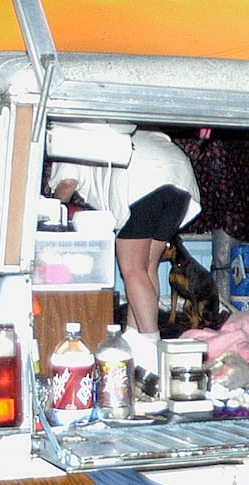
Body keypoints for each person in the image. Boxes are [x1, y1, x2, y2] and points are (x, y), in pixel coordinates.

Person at [47, 129, 201, 369]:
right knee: (146, 267)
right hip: (179, 178)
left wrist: (51, 205)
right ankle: (134, 338)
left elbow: (66, 183)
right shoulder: (110, 127)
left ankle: (152, 349)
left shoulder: (67, 137)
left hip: (142, 181)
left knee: (132, 270)